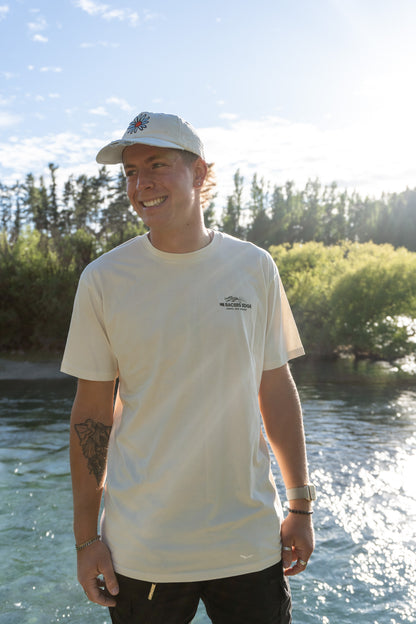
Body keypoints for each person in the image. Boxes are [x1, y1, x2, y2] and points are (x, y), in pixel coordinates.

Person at [61, 111, 315, 624]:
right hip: (142, 548)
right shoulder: (103, 280)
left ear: (199, 172)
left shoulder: (255, 267)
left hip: (247, 541)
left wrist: (300, 506)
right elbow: (92, 415)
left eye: (157, 165)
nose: (141, 184)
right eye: (131, 172)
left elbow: (275, 389)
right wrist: (86, 539)